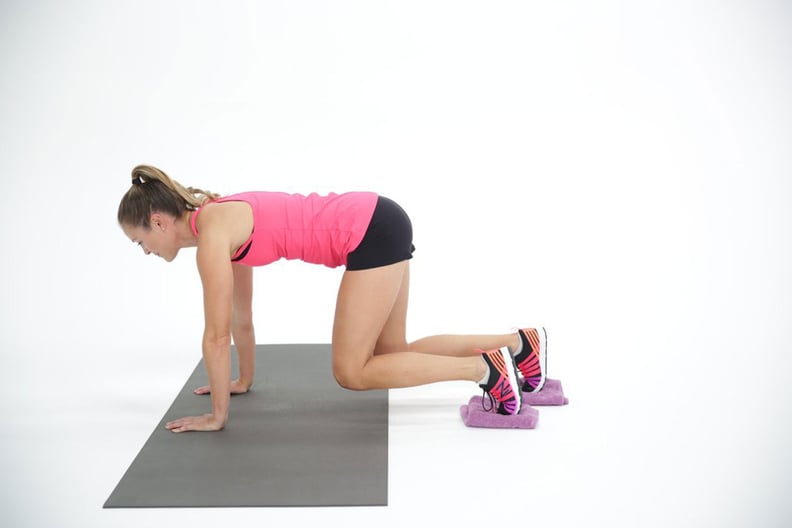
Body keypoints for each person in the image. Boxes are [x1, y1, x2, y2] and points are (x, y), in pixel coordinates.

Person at [117, 165, 547, 433]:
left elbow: (215, 337)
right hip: (380, 217)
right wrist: (241, 381)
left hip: (369, 232)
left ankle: (485, 371)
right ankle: (518, 345)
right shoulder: (217, 218)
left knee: (351, 372)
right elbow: (240, 319)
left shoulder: (213, 236)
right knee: (392, 353)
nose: (146, 251)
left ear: (158, 221)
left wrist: (217, 417)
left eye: (141, 241)